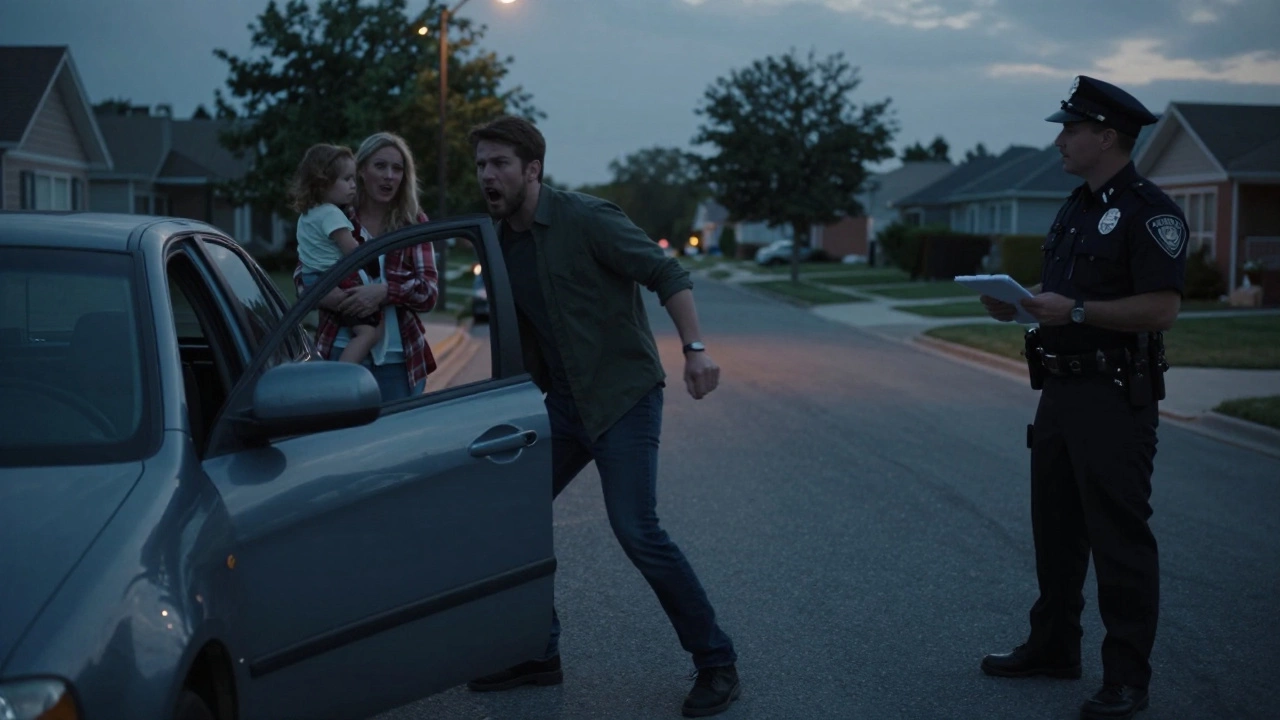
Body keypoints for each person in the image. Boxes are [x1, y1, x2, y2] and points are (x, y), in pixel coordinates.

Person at [463, 116, 740, 718]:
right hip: (562, 406)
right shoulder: (495, 241)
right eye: (481, 163)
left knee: (637, 530)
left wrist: (695, 350)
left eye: (500, 163)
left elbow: (666, 272)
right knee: (509, 519)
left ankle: (716, 661)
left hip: (621, 398)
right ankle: (539, 652)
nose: (488, 174)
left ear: (532, 169)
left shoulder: (586, 217)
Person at [979, 76, 1188, 720]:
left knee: (1118, 540)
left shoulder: (1150, 211)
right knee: (1057, 531)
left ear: (1107, 136)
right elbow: (1063, 297)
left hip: (1115, 395)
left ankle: (1125, 677)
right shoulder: (1075, 205)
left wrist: (1074, 312)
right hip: (1061, 395)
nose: (1062, 139)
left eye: (1071, 129)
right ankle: (1053, 648)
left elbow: (1161, 308)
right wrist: (1020, 304)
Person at [292, 132, 440, 402]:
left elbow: (429, 292)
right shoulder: (334, 216)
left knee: (399, 441)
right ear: (361, 171)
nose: (389, 176)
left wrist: (384, 292)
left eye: (397, 168)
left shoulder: (414, 222)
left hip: (400, 359)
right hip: (340, 346)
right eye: (380, 166)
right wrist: (337, 298)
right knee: (341, 439)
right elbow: (303, 277)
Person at [290, 143, 383, 365]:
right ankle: (342, 373)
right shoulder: (332, 214)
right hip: (335, 281)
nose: (353, 185)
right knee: (369, 332)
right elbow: (352, 251)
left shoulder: (307, 214)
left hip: (314, 278)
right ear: (323, 182)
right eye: (347, 179)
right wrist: (375, 255)